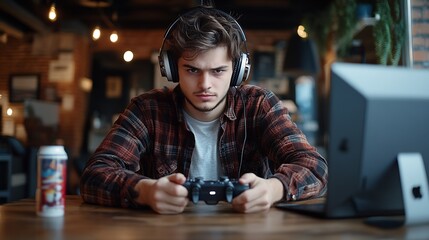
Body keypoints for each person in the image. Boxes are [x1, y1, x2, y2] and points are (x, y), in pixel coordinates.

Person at [80, 4, 328, 214]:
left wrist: (275, 188)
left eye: (218, 71)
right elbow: (95, 175)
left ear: (237, 71)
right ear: (172, 69)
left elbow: (314, 166)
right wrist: (144, 191)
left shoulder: (259, 105)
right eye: (192, 70)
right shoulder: (147, 110)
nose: (205, 84)